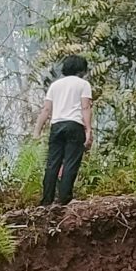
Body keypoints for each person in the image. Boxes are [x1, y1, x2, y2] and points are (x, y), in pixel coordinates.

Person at [38, 55, 94, 206]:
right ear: (81, 70)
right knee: (70, 162)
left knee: (52, 163)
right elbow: (85, 107)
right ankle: (64, 198)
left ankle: (46, 200)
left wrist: (37, 130)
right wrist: (88, 129)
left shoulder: (55, 85)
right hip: (74, 125)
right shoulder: (83, 84)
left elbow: (46, 109)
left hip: (56, 126)